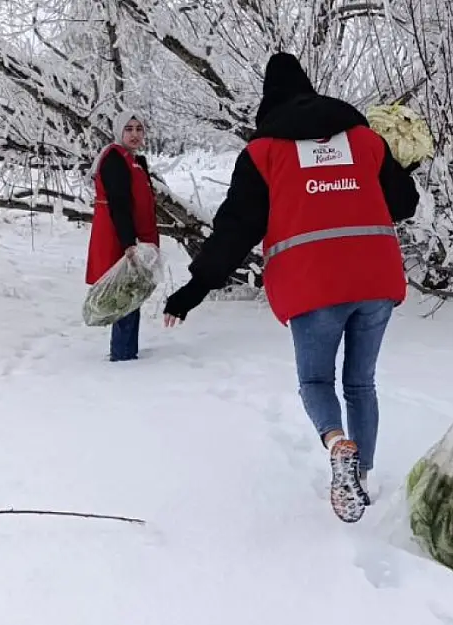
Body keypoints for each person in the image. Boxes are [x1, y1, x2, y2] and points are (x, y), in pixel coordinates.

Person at [161, 52, 420, 524]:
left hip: (312, 285)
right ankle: (363, 476)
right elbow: (404, 203)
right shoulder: (363, 139)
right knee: (361, 381)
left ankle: (337, 441)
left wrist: (193, 290)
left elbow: (237, 229)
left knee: (317, 381)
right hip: (377, 280)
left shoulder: (264, 153)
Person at [85, 111, 160, 362]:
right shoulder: (115, 159)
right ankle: (123, 354)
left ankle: (128, 350)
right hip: (119, 236)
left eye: (139, 129)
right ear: (119, 131)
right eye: (129, 129)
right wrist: (129, 243)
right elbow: (119, 202)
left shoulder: (135, 160)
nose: (135, 134)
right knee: (124, 291)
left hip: (133, 236)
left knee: (133, 291)